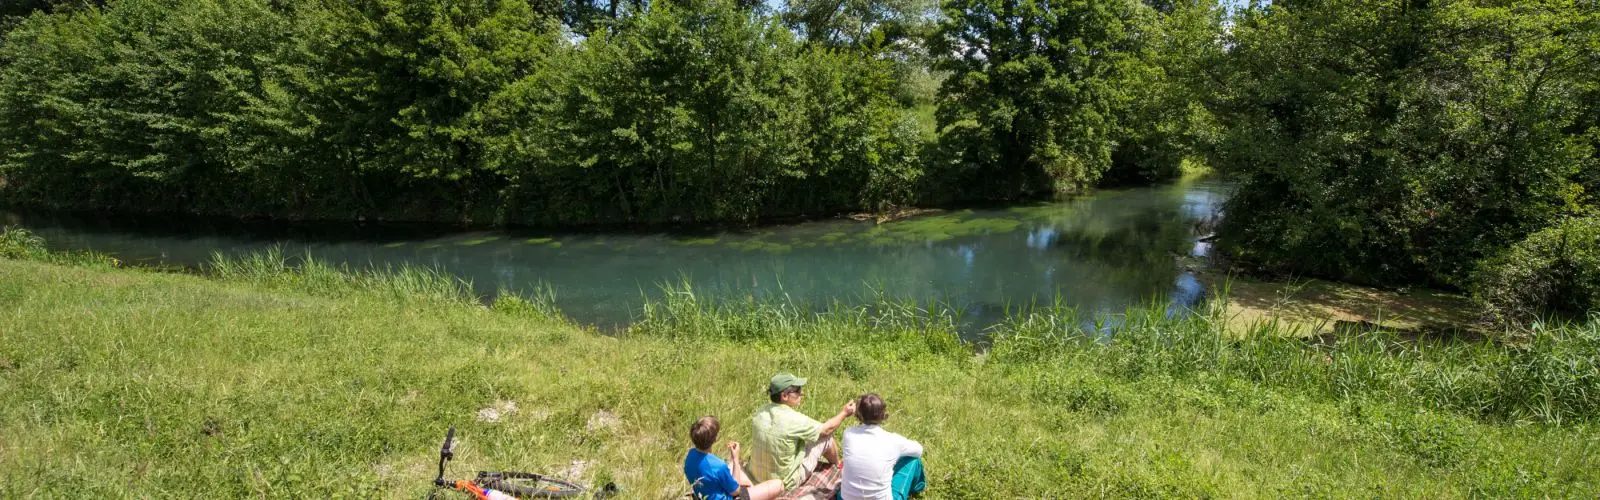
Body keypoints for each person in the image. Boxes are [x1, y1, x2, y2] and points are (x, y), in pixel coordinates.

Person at [750, 373, 857, 490]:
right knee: (826, 438)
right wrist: (845, 413)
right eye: (797, 390)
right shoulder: (793, 419)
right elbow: (826, 430)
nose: (802, 393)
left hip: (757, 477)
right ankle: (838, 466)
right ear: (784, 396)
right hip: (784, 483)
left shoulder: (760, 411)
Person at [839, 393, 926, 500]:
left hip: (845, 498)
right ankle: (917, 489)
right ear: (883, 415)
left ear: (858, 414)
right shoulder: (893, 441)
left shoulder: (848, 434)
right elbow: (919, 450)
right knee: (914, 461)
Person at [684, 415, 786, 500]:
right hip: (729, 497)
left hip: (705, 494)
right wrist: (736, 458)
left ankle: (754, 489)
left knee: (732, 467)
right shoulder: (719, 466)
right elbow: (735, 492)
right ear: (715, 439)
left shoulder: (690, 454)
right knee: (778, 484)